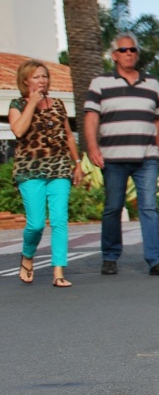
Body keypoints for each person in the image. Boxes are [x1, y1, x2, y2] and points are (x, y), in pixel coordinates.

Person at [83, 35, 159, 276]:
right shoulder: (100, 82)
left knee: (149, 207)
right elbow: (91, 117)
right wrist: (92, 148)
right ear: (114, 55)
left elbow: (157, 119)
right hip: (113, 158)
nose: (129, 53)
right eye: (123, 50)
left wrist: (157, 149)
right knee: (113, 207)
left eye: (133, 49)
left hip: (146, 158)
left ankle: (156, 260)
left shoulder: (151, 83)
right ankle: (110, 256)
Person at [8, 60, 83, 287]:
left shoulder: (58, 104)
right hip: (29, 171)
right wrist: (32, 102)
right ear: (25, 81)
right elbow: (18, 130)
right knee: (36, 224)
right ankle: (28, 256)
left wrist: (77, 162)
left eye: (44, 76)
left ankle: (58, 271)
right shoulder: (17, 104)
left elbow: (69, 135)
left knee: (60, 220)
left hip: (59, 167)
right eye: (36, 77)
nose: (42, 81)